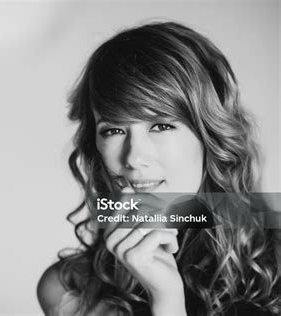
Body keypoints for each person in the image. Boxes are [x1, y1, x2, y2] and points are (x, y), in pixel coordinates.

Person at [37, 22, 281, 316]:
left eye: (161, 125)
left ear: (209, 135)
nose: (134, 157)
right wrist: (165, 301)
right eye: (113, 130)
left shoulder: (272, 264)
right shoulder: (70, 288)